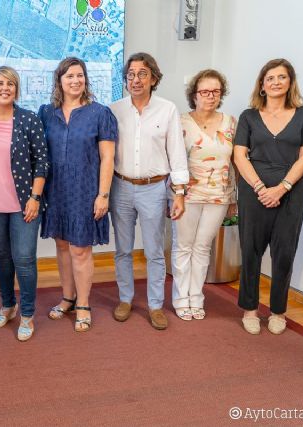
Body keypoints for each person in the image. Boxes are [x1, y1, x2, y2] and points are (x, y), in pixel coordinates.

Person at [234, 58, 303, 335]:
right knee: (251, 250)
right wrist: (260, 188)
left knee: (284, 252)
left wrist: (282, 187)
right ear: (262, 84)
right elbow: (239, 155)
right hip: (253, 190)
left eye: (282, 77)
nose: (276, 82)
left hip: (290, 191)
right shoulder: (249, 116)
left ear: (290, 82)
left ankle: (278, 311)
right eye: (270, 78)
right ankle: (249, 309)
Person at [109, 52, 189, 330]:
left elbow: (177, 153)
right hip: (120, 186)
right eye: (130, 74)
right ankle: (125, 299)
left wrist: (178, 192)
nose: (136, 79)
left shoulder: (167, 109)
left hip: (155, 188)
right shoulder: (114, 110)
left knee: (155, 251)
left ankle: (155, 305)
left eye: (142, 73)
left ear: (154, 78)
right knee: (122, 250)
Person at [38, 57, 117, 332]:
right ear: (59, 81)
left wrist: (103, 195)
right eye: (69, 76)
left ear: (86, 80)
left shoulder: (100, 113)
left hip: (86, 191)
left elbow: (108, 158)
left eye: (80, 76)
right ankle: (67, 298)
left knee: (80, 249)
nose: (75, 81)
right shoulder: (47, 112)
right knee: (61, 246)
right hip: (55, 191)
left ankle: (83, 303)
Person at [0, 67, 49, 341]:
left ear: (16, 90)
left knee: (25, 260)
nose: (5, 88)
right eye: (0, 83)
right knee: (3, 259)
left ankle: (27, 313)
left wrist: (35, 197)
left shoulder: (29, 119)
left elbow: (42, 161)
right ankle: (8, 305)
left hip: (24, 204)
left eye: (11, 84)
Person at [170, 69, 237, 321]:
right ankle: (180, 298)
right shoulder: (180, 121)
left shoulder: (231, 122)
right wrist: (177, 192)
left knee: (202, 247)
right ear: (194, 95)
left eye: (215, 92)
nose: (210, 96)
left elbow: (236, 162)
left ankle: (196, 297)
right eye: (204, 92)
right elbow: (173, 159)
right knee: (183, 246)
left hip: (219, 194)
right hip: (186, 194)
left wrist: (234, 197)